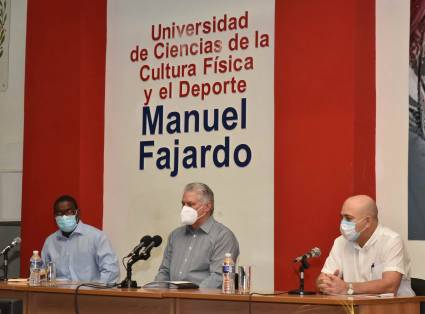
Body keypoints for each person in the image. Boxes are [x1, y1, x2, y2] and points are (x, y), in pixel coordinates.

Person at [316, 195, 415, 296]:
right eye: (342, 217)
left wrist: (347, 287)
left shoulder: (392, 240)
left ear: (367, 222)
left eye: (348, 218)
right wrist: (326, 282)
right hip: (356, 307)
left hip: (396, 307)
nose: (343, 223)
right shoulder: (340, 242)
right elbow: (322, 278)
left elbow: (390, 286)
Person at [155, 182, 239, 288]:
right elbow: (164, 272)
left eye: (190, 204)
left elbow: (219, 277)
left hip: (202, 302)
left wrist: (189, 297)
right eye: (183, 204)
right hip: (172, 301)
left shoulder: (223, 236)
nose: (184, 209)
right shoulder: (175, 235)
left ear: (207, 207)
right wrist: (154, 294)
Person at [41, 195, 120, 283]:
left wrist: (96, 293)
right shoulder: (50, 242)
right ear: (54, 216)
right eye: (59, 213)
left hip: (89, 294)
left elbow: (111, 272)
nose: (64, 217)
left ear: (77, 213)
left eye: (69, 212)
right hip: (59, 295)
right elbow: (42, 273)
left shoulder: (97, 237)